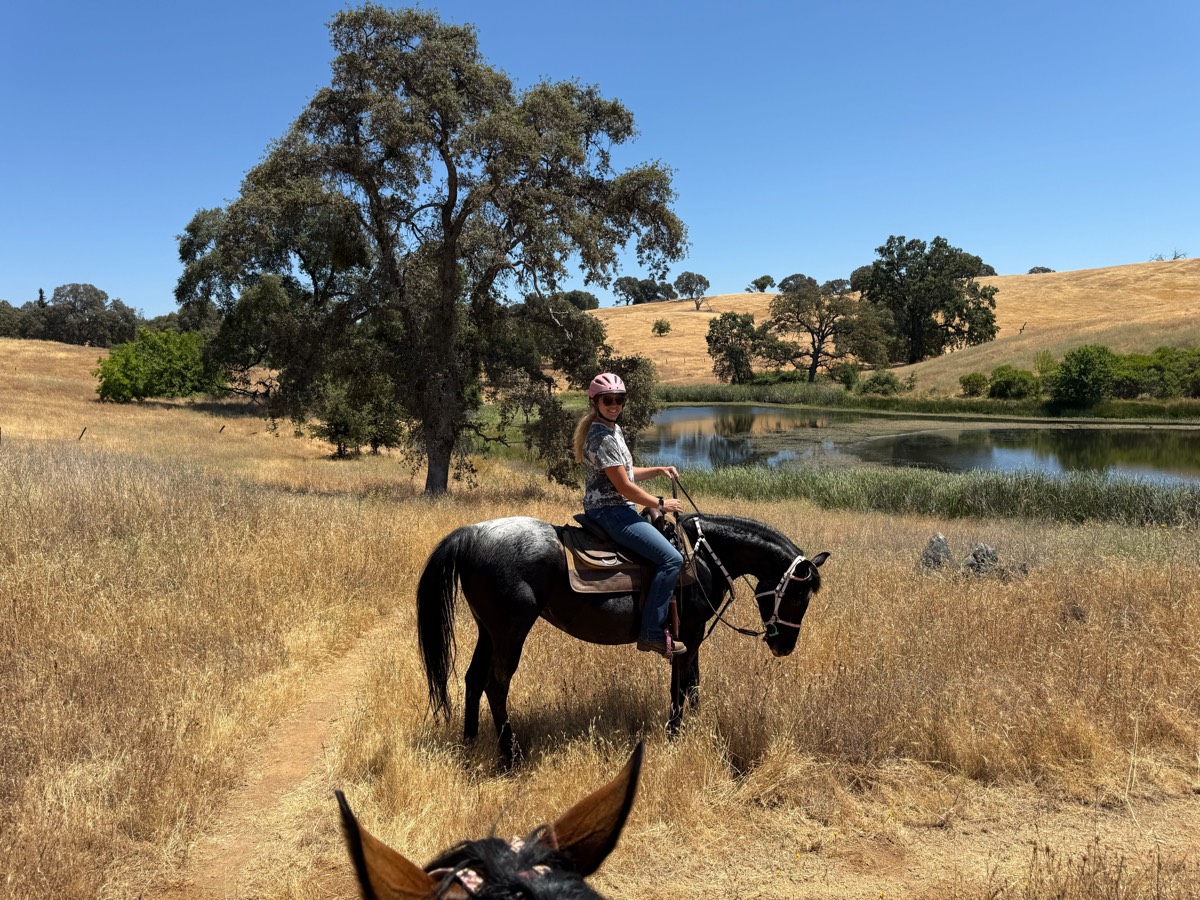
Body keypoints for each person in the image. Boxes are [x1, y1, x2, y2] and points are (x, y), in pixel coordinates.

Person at [573, 372, 686, 659]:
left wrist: (658, 470)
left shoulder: (613, 430)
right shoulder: (601, 436)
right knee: (672, 559)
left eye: (619, 399)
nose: (614, 405)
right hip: (611, 511)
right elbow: (623, 487)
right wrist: (660, 503)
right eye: (608, 400)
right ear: (595, 402)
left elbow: (626, 473)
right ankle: (651, 632)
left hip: (615, 509)